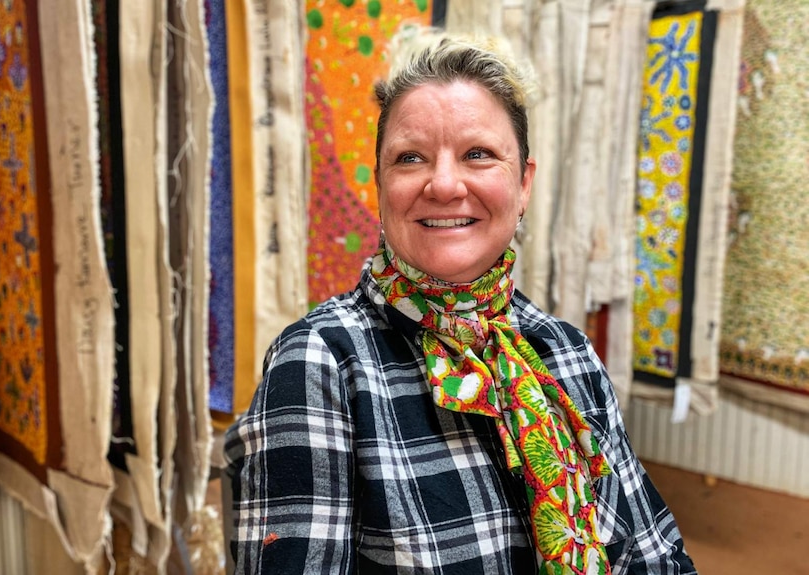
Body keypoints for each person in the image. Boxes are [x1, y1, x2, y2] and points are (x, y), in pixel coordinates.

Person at [225, 27, 696, 575]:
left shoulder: (564, 353)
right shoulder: (320, 364)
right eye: (410, 159)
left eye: (478, 154)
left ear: (523, 184)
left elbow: (656, 556)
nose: (444, 185)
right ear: (379, 184)